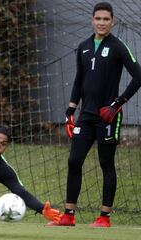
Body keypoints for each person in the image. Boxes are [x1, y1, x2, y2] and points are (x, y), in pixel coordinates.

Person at [49, 2, 141, 228]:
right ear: (92, 20)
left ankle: (104, 217)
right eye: (98, 19)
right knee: (74, 161)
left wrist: (117, 103)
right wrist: (70, 110)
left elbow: (138, 76)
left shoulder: (119, 47)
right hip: (86, 116)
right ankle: (69, 215)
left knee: (106, 164)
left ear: (113, 21)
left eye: (106, 19)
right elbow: (79, 80)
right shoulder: (83, 46)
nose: (101, 23)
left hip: (108, 116)